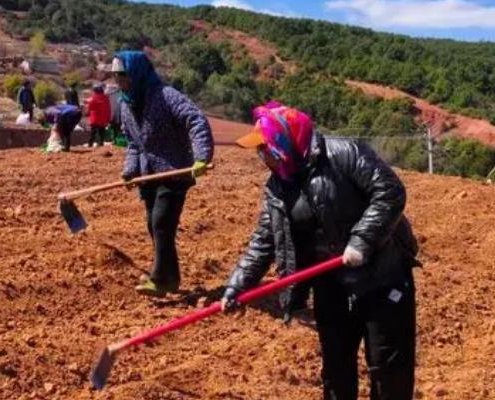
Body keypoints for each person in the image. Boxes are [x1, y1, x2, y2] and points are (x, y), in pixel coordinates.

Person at [220, 102, 420, 400]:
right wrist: (237, 285)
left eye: (266, 148)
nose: (261, 156)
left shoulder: (344, 153)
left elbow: (389, 192)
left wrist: (361, 241)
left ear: (285, 142)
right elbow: (264, 241)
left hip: (383, 278)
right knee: (336, 373)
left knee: (389, 373)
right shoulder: (278, 186)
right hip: (332, 285)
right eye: (259, 150)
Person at [112, 50, 214, 297]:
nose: (117, 81)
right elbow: (135, 144)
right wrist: (129, 171)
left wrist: (202, 156)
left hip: (175, 170)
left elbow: (196, 120)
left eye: (122, 74)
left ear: (136, 73)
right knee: (155, 225)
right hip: (149, 175)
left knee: (161, 223)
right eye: (114, 75)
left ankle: (159, 279)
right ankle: (170, 278)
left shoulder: (166, 96)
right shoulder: (127, 104)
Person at [86, 83, 111, 147]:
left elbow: (90, 108)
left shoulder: (93, 98)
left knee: (93, 133)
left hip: (95, 118)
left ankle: (90, 144)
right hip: (103, 118)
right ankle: (100, 144)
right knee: (101, 132)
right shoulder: (106, 98)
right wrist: (108, 118)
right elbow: (108, 108)